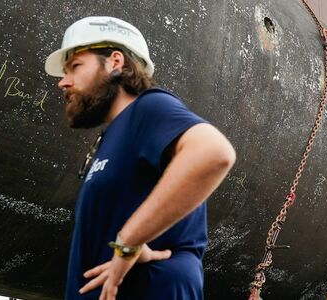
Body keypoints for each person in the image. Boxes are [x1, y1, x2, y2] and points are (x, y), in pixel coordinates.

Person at [44, 16, 236, 300]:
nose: (63, 82)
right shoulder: (112, 136)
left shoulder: (148, 108)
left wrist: (128, 244)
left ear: (115, 62)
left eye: (75, 66)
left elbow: (213, 152)